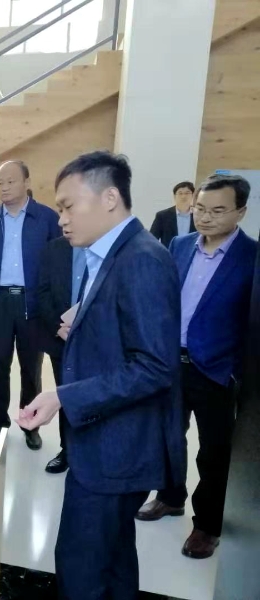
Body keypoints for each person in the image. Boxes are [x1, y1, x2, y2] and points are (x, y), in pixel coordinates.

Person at [16, 151, 185, 600]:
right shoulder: (112, 254)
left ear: (109, 198)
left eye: (68, 206)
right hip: (106, 442)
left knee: (81, 568)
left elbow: (155, 366)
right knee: (114, 558)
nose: (61, 219)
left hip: (117, 451)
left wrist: (63, 397)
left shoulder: (142, 259)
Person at [137, 174, 257, 560]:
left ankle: (207, 524)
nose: (205, 217)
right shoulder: (180, 244)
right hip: (173, 363)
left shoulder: (252, 257)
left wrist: (237, 372)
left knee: (214, 453)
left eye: (217, 211)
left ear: (241, 212)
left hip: (217, 371)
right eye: (200, 209)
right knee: (169, 438)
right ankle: (170, 497)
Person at [0, 160, 61, 448]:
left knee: (31, 369)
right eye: (0, 183)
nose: (4, 187)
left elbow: (56, 266)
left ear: (27, 182)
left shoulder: (47, 219)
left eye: (11, 181)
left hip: (33, 303)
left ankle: (30, 423)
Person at [36, 235, 87, 474]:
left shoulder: (106, 249)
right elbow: (42, 292)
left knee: (92, 397)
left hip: (96, 341)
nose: (64, 220)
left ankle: (88, 453)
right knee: (64, 396)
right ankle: (67, 450)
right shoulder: (53, 249)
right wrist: (57, 326)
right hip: (62, 340)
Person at [150, 181, 195, 248]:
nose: (183, 196)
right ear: (174, 196)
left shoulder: (198, 216)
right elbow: (152, 239)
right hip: (168, 253)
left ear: (193, 195)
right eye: (180, 193)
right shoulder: (162, 216)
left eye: (187, 193)